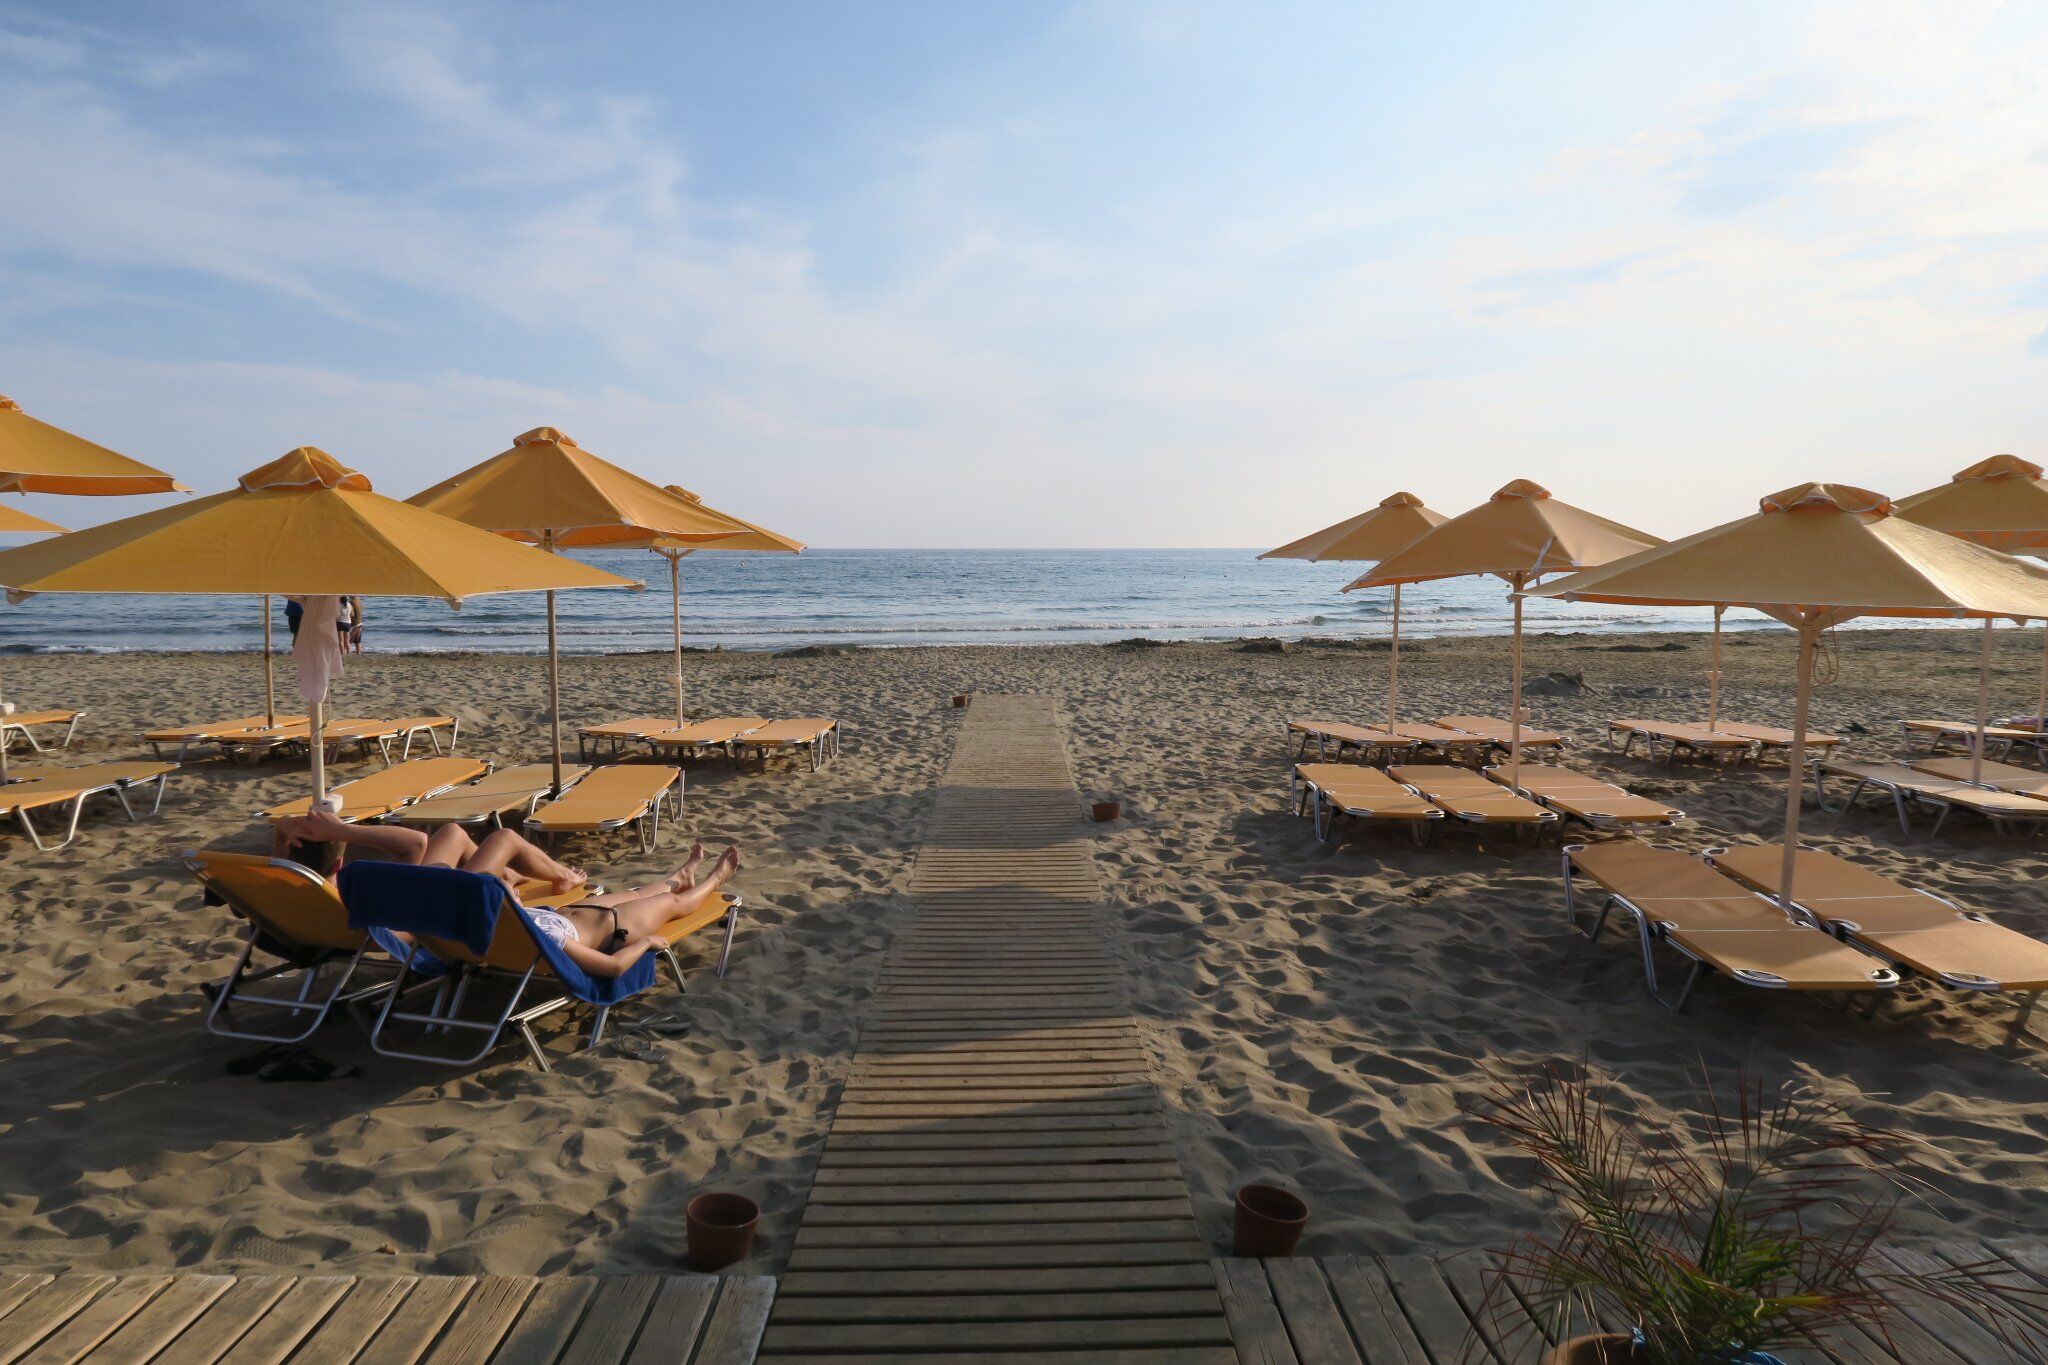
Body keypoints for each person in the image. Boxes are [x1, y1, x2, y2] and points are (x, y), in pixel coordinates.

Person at [272, 806, 738, 978]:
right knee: (659, 906)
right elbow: (614, 967)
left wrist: (288, 839)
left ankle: (679, 876)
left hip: (543, 922)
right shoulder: (360, 883)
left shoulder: (296, 891)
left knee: (638, 894)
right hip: (602, 933)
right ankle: (711, 881)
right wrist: (651, 945)